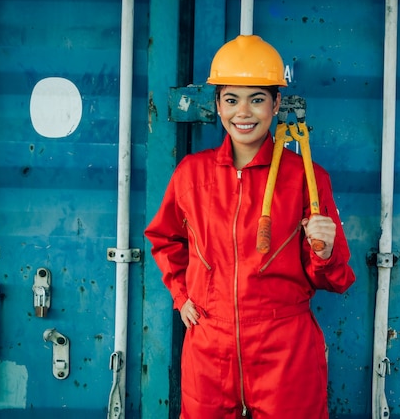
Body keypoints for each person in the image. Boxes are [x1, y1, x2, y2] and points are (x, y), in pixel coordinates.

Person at [145, 35, 355, 419]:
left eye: (257, 99)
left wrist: (323, 251)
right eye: (231, 99)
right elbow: (164, 239)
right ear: (218, 105)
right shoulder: (191, 174)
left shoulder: (307, 178)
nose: (243, 112)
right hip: (210, 350)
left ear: (276, 104)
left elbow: (338, 279)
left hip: (285, 351)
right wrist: (181, 295)